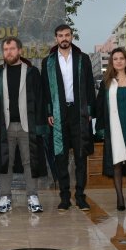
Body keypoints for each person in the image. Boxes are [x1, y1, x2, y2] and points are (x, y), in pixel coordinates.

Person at [0, 36, 48, 214]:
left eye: (12, 49)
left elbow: (41, 99)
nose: (9, 52)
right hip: (5, 125)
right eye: (5, 50)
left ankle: (32, 196)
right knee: (6, 161)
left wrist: (40, 125)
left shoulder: (32, 72)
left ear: (20, 50)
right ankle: (5, 197)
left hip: (28, 125)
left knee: (30, 161)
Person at [41, 24, 97, 212]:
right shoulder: (47, 62)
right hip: (58, 113)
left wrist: (89, 110)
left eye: (67, 35)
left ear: (72, 36)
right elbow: (45, 91)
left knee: (81, 156)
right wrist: (49, 111)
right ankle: (64, 197)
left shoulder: (83, 59)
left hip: (79, 112)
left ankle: (80, 196)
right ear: (55, 38)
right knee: (60, 156)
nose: (64, 38)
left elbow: (90, 85)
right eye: (60, 35)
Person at [95, 47, 126, 211]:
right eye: (115, 59)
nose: (118, 61)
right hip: (114, 127)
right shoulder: (107, 82)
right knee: (117, 162)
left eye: (121, 58)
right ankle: (119, 197)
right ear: (111, 62)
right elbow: (100, 107)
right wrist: (101, 129)